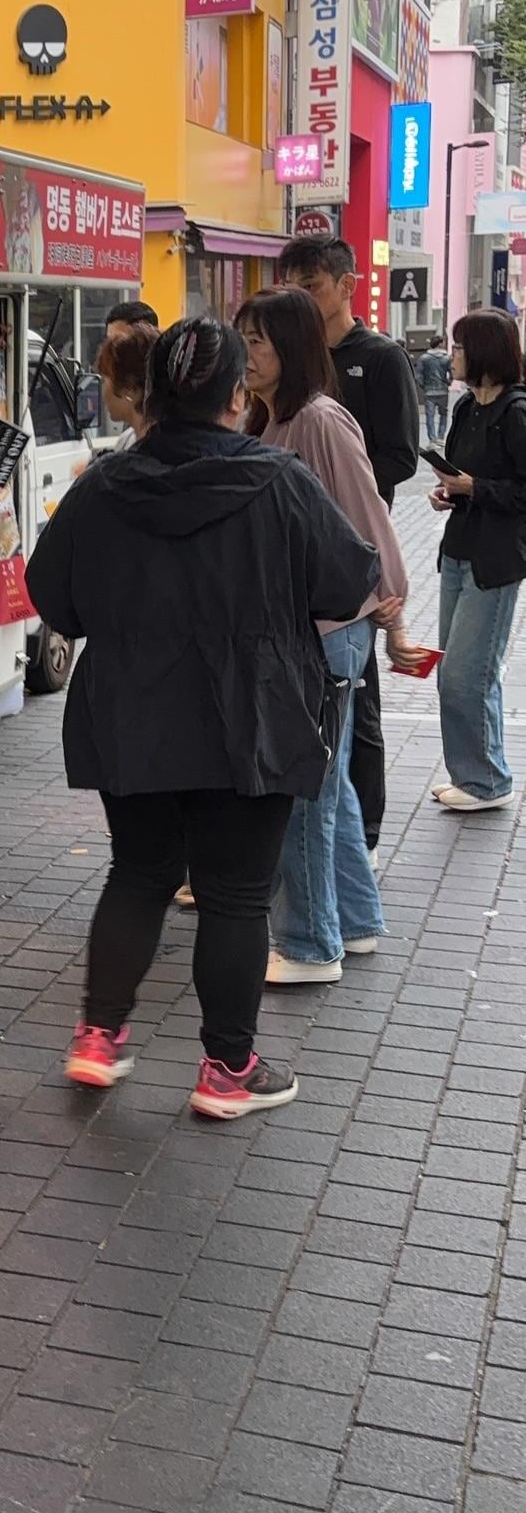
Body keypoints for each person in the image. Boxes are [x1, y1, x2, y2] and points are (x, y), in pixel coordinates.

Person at [26, 318, 378, 1120]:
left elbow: (53, 597)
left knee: (138, 871)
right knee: (234, 894)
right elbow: (345, 579)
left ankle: (97, 1036)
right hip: (249, 717)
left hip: (130, 714)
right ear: (233, 396)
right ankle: (226, 1070)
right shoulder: (280, 480)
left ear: (151, 395)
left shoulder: (104, 484)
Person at [237, 288, 409, 983]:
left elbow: (370, 521)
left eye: (257, 340)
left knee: (305, 786)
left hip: (330, 629)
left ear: (292, 345)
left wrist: (395, 620)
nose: (246, 354)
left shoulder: (318, 419)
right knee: (325, 783)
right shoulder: (269, 418)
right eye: (243, 339)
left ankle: (310, 944)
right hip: (305, 630)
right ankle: (357, 921)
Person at [277, 235, 419, 854]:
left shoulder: (380, 357)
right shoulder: (292, 365)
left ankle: (365, 834)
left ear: (346, 286)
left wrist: (338, 491)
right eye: (291, 287)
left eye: (310, 286)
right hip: (304, 573)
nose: (300, 298)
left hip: (356, 553)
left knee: (359, 706)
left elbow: (401, 456)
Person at [428, 309, 526, 812]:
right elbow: (463, 475)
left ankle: (488, 781)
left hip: (494, 560)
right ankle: (471, 775)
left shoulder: (517, 412)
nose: (453, 357)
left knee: (469, 674)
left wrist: (476, 488)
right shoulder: (467, 407)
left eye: (460, 347)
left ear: (486, 351)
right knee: (454, 673)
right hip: (457, 549)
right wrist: (449, 493)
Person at [94, 317, 154, 451]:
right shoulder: (127, 440)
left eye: (105, 380)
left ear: (129, 387)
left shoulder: (139, 448)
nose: (103, 391)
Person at [418, 338, 453, 446]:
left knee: (430, 416)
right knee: (443, 414)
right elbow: (452, 373)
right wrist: (448, 382)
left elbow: (418, 375)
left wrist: (424, 386)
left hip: (429, 391)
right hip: (443, 390)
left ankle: (432, 440)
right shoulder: (446, 358)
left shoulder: (424, 358)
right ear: (440, 344)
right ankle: (441, 437)